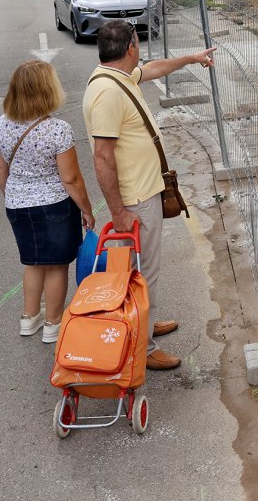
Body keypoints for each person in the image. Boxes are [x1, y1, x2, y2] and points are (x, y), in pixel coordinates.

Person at [81, 20, 217, 370]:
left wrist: (191, 59)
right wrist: (119, 212)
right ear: (131, 48)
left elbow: (153, 69)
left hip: (142, 193)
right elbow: (102, 156)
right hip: (134, 201)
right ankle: (144, 345)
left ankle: (146, 316)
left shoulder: (118, 77)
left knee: (144, 270)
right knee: (143, 272)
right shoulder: (108, 93)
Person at [0, 60, 95, 344]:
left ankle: (29, 318)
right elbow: (71, 178)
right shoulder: (57, 129)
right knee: (57, 265)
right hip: (54, 205)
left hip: (17, 204)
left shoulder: (1, 124)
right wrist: (87, 209)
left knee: (33, 263)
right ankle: (53, 323)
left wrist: (13, 195)